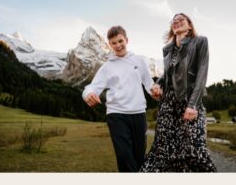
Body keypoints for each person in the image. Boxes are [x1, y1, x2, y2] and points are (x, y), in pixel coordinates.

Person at [140, 13, 216, 172]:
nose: (176, 21)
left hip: (189, 102)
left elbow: (202, 73)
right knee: (163, 149)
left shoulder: (200, 41)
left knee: (195, 149)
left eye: (181, 19)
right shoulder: (168, 49)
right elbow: (168, 74)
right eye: (173, 21)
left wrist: (192, 105)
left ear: (190, 25)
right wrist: (157, 84)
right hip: (168, 104)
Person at [82, 26, 158, 172]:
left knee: (139, 157)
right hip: (116, 115)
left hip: (138, 114)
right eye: (114, 43)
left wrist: (155, 90)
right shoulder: (107, 67)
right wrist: (88, 95)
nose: (118, 45)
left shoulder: (139, 61)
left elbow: (149, 85)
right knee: (124, 156)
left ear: (127, 40)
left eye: (120, 41)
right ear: (109, 45)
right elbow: (91, 88)